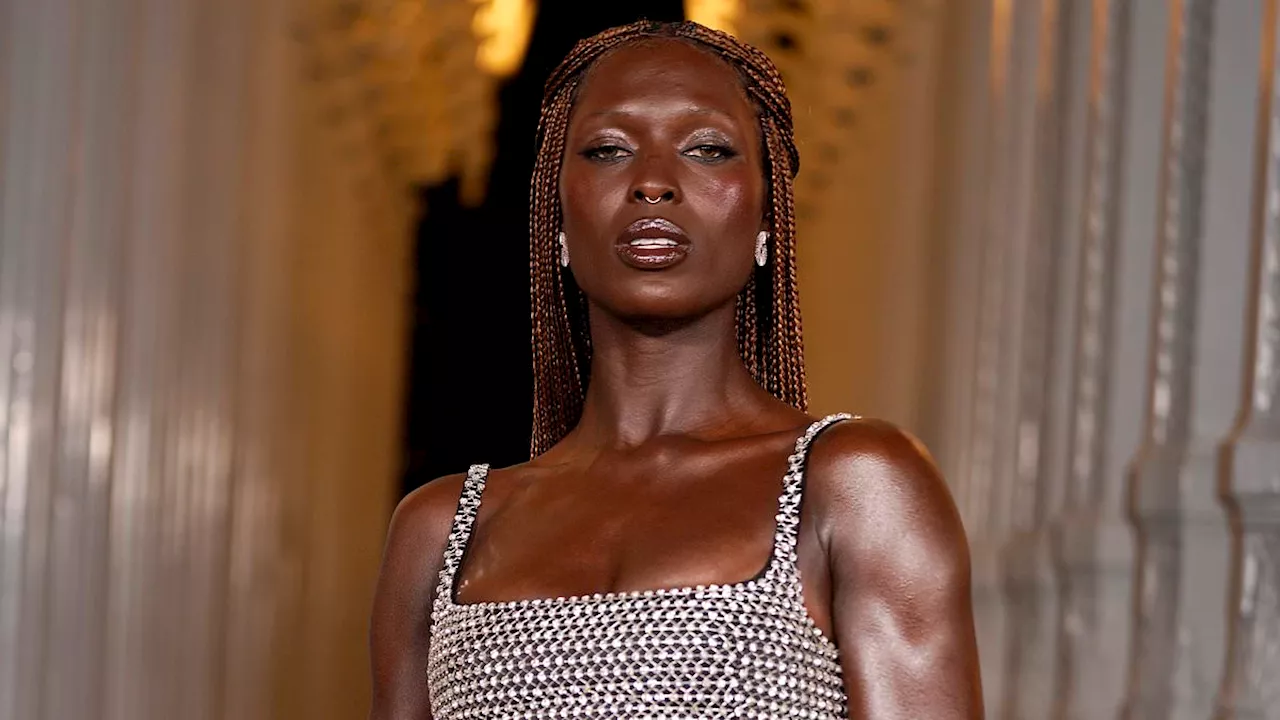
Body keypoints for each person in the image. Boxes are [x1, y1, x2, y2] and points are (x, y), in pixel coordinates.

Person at [369, 20, 981, 719]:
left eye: (708, 149)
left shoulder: (853, 485)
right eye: (607, 150)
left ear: (766, 218)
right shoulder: (442, 530)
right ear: (557, 220)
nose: (653, 182)